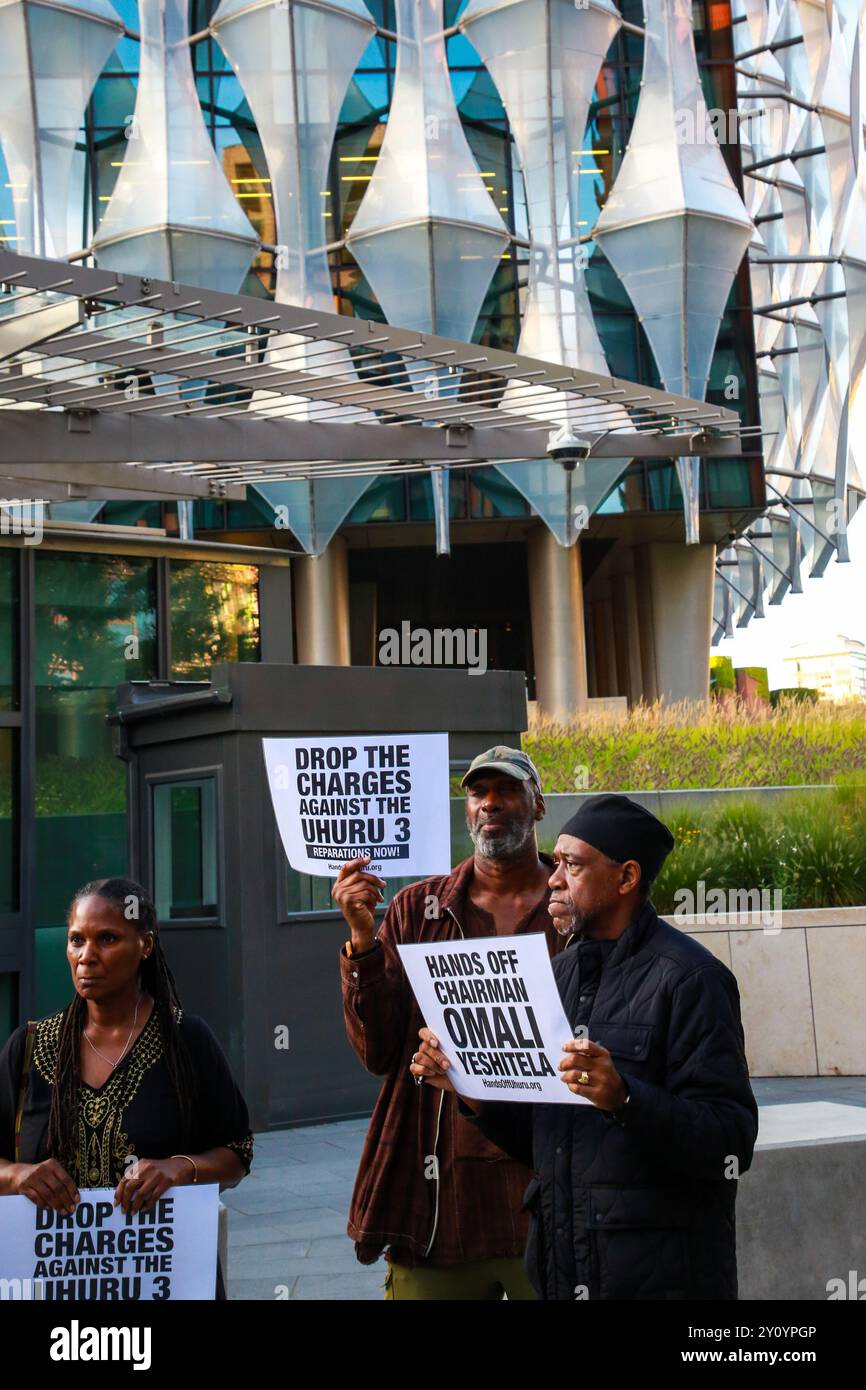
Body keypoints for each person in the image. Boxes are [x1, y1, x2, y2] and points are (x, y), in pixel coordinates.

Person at [411, 793, 759, 1301]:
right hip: (564, 1269)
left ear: (626, 878)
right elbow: (546, 1144)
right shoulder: (557, 977)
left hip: (661, 1280)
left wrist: (625, 1098)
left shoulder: (692, 980)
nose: (552, 878)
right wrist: (468, 1090)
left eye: (571, 864)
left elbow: (730, 1143)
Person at [333, 746, 563, 1300]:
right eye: (478, 793)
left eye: (507, 791)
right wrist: (363, 940)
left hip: (548, 1191)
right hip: (439, 1203)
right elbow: (379, 1052)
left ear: (538, 807)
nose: (490, 804)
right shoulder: (417, 908)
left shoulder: (572, 904)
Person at [0, 876, 253, 1298]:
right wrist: (19, 1175)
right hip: (56, 1287)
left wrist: (178, 1168)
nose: (87, 956)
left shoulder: (186, 1041)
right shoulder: (28, 1048)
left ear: (146, 946)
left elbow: (238, 1153)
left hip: (166, 1280)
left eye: (108, 939)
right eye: (76, 940)